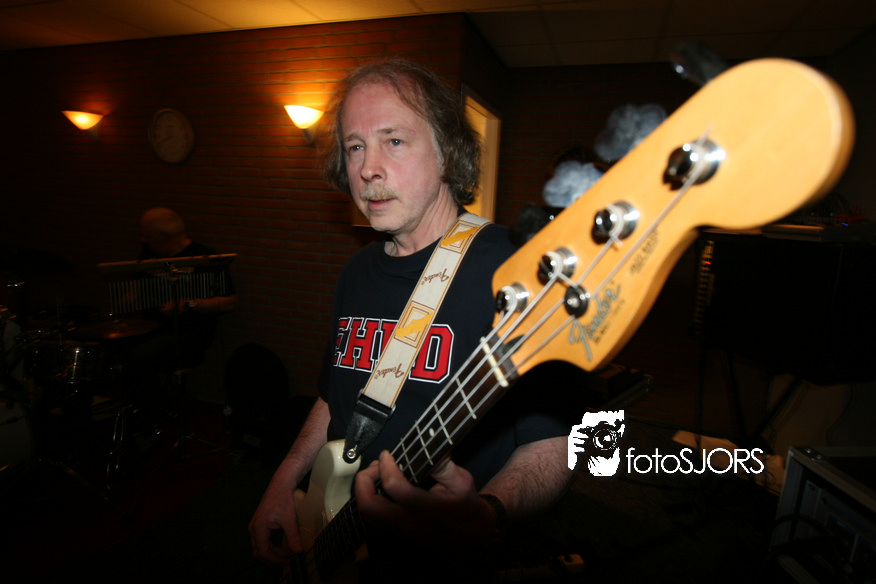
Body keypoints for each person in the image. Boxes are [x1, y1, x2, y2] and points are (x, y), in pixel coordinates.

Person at [249, 60, 574, 581]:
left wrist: (487, 513)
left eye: (393, 141)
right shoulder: (356, 272)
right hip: (340, 530)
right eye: (355, 147)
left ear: (447, 152)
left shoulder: (515, 267)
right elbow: (334, 396)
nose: (367, 169)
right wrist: (285, 480)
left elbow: (559, 442)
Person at [122, 207, 237, 424]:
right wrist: (128, 299)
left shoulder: (204, 257)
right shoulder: (149, 253)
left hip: (188, 335)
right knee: (118, 346)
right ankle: (131, 409)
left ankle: (149, 419)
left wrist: (188, 305)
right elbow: (134, 291)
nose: (143, 240)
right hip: (149, 328)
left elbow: (229, 301)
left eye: (148, 236)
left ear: (165, 235)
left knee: (139, 356)